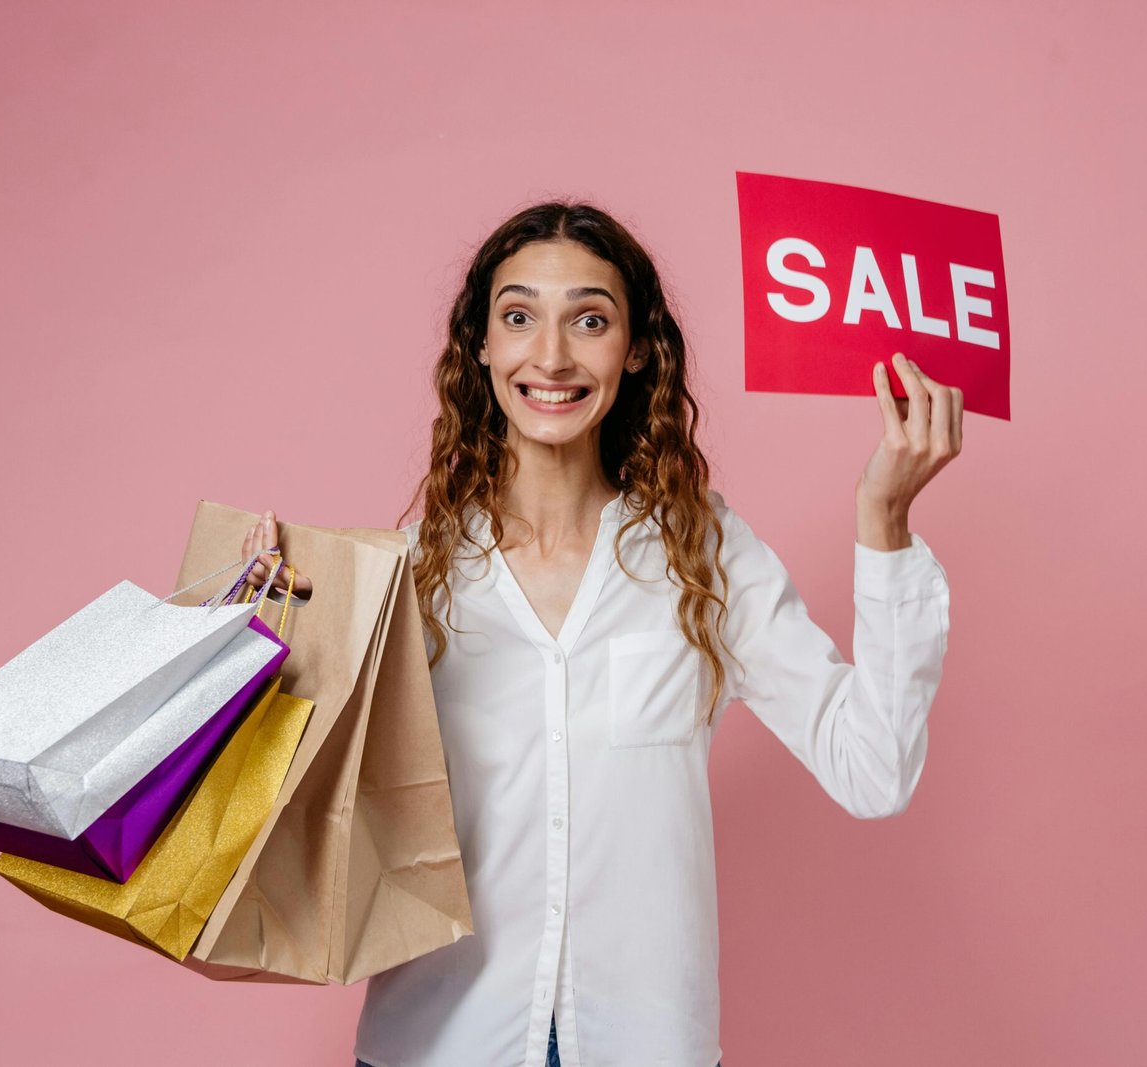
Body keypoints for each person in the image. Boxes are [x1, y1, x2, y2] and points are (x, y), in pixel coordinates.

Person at [238, 202, 960, 1067]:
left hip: (647, 1042)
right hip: (439, 1042)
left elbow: (872, 767)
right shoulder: (403, 573)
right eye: (518, 317)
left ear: (638, 348)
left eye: (589, 319)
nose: (550, 356)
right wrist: (265, 648)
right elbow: (301, 817)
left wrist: (884, 518)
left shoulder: (704, 552)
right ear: (481, 346)